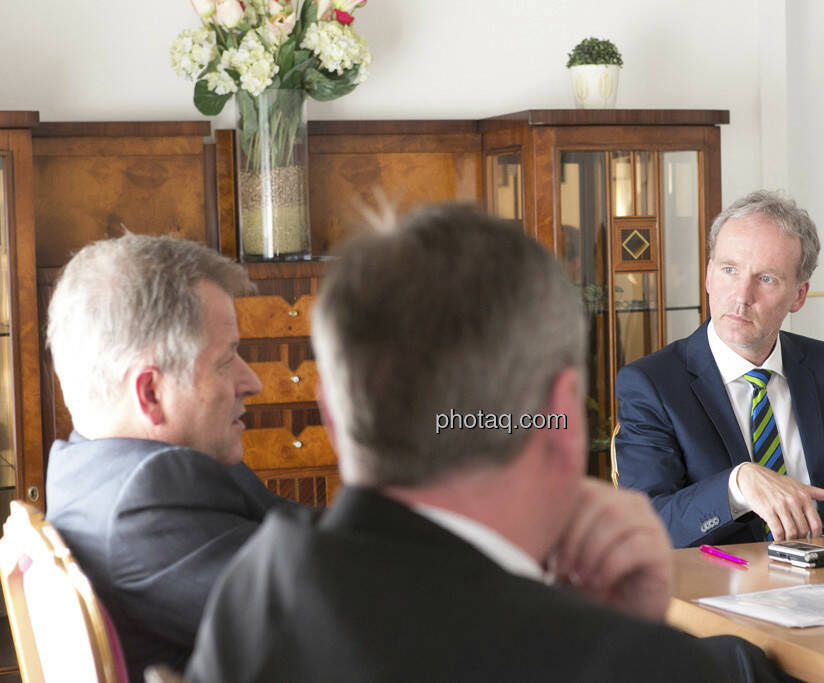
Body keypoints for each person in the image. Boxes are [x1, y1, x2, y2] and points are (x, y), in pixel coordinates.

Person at [186, 205, 791, 682]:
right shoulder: (627, 663)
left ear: (332, 418)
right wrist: (630, 631)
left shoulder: (253, 586)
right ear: (559, 417)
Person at [615, 190, 824, 548]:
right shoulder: (652, 384)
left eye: (766, 279)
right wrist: (736, 486)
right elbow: (644, 526)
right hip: (719, 591)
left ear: (799, 295)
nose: (741, 296)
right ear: (708, 275)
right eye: (729, 270)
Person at [45, 234, 300, 682]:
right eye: (227, 360)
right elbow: (336, 617)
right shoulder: (143, 504)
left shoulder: (88, 467)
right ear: (150, 392)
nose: (253, 381)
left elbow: (301, 533)